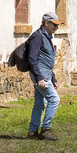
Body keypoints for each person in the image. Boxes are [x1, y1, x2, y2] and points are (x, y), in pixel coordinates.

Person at [25, 11, 62, 140]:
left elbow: (46, 60)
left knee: (40, 104)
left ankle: (32, 132)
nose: (56, 28)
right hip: (40, 75)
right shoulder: (38, 36)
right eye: (54, 25)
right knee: (54, 99)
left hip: (45, 74)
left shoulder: (46, 37)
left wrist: (53, 78)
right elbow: (32, 58)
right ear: (47, 23)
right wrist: (39, 78)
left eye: (57, 25)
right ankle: (46, 129)